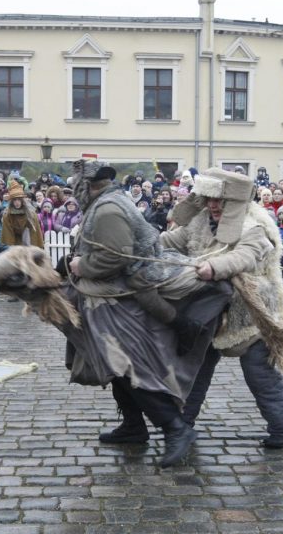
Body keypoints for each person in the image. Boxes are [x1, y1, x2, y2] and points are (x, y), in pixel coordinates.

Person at [68, 161, 230, 467]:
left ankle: (175, 429)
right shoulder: (108, 202)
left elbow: (114, 257)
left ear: (86, 186)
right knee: (116, 366)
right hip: (120, 293)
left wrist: (81, 266)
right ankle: (133, 426)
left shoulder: (107, 209)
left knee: (124, 365)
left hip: (130, 290)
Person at [158, 168, 283, 450]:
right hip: (207, 312)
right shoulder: (199, 222)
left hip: (251, 314)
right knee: (193, 372)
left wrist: (214, 267)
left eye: (219, 201)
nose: (213, 205)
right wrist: (135, 241)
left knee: (260, 375)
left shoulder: (256, 226)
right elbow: (168, 242)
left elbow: (245, 256)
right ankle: (181, 428)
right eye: (209, 199)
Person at [1, 181, 44, 247]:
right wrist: (12, 246)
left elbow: (34, 232)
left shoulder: (31, 213)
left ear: (22, 200)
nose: (17, 202)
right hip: (15, 242)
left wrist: (33, 247)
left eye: (18, 199)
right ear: (11, 201)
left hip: (28, 241)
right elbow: (8, 233)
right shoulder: (7, 214)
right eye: (14, 200)